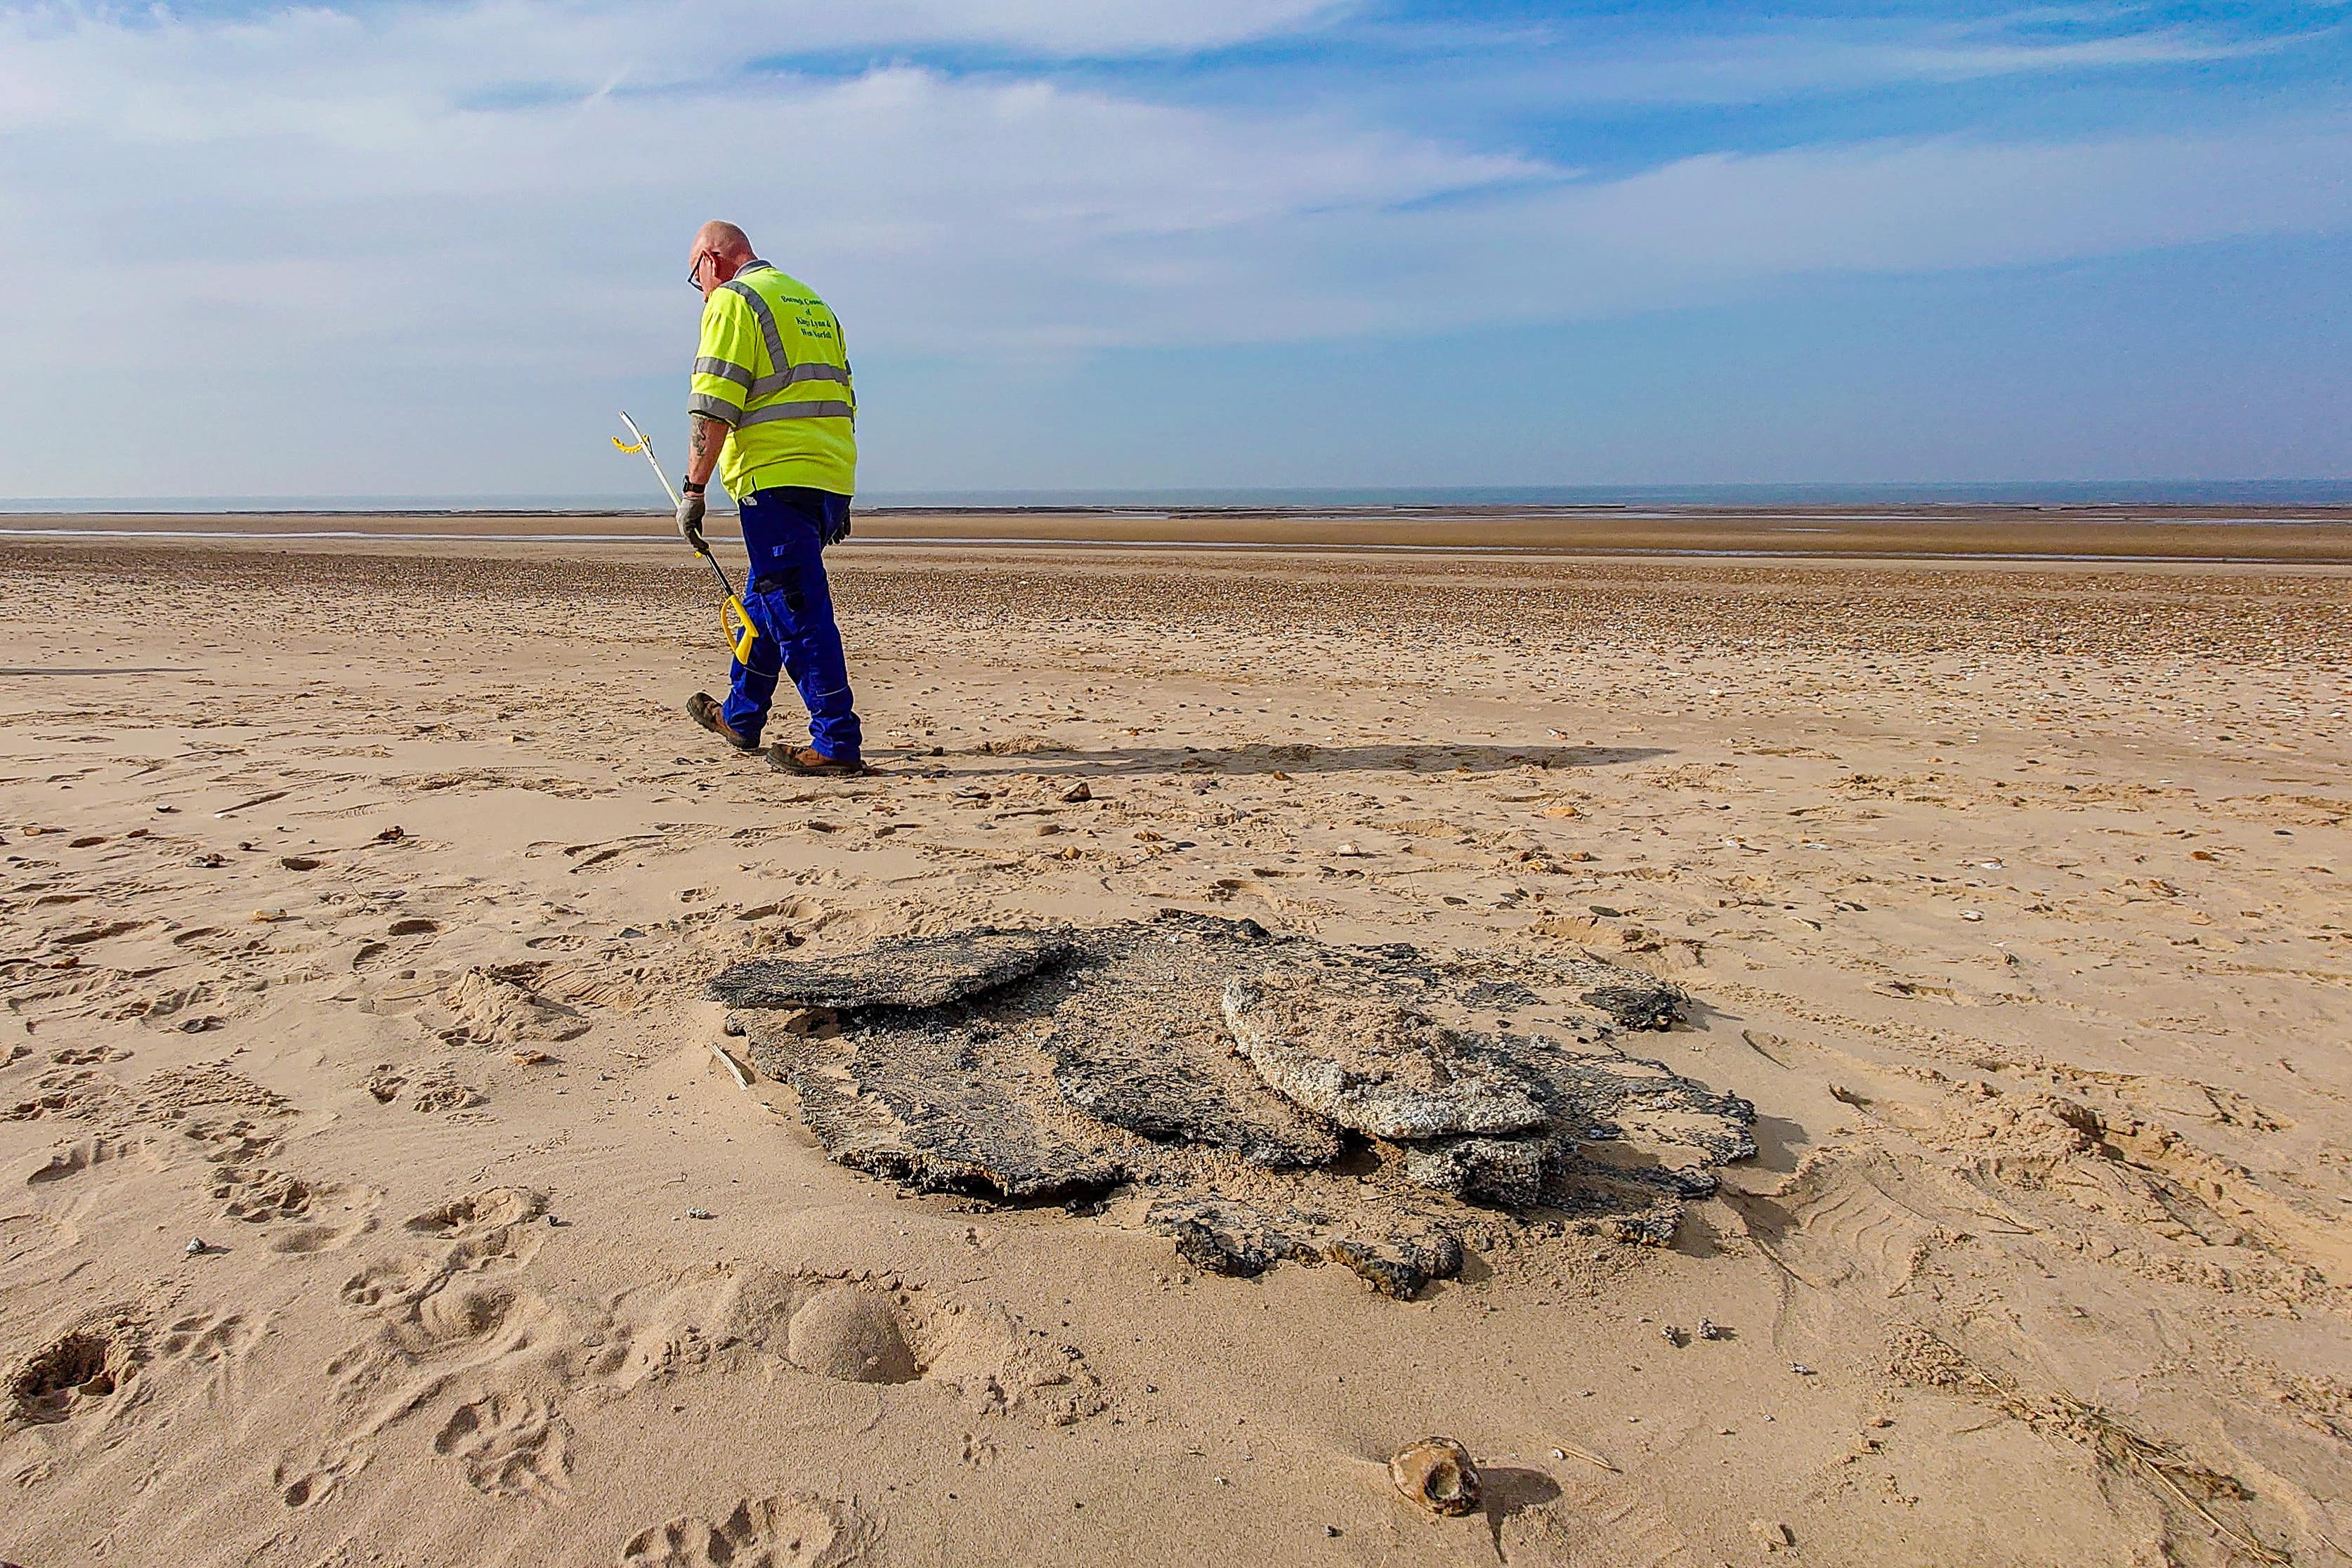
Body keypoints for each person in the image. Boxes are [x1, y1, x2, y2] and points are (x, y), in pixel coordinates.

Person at [674, 220, 865, 776]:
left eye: (696, 277)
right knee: (766, 598)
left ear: (712, 260)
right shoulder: (812, 302)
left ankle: (835, 741)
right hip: (828, 476)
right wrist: (841, 492)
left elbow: (712, 403)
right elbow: (843, 397)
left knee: (798, 611)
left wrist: (693, 490)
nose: (700, 291)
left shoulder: (735, 301)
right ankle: (741, 714)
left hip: (774, 479)